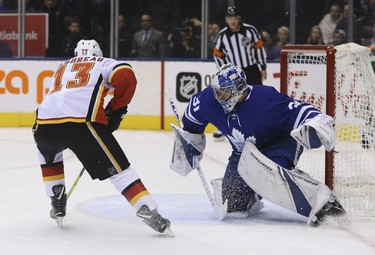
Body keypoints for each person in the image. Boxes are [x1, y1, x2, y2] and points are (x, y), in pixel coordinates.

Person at [170, 63, 346, 226]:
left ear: (239, 89)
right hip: (243, 153)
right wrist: (189, 141)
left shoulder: (265, 99)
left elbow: (299, 109)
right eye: (218, 91)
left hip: (279, 143)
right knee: (233, 206)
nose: (219, 96)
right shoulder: (209, 100)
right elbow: (192, 119)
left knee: (269, 174)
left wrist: (317, 122)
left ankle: (324, 202)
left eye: (224, 92)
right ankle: (254, 193)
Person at [32, 39, 172, 235]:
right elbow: (125, 73)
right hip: (81, 124)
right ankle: (146, 208)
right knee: (119, 170)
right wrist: (116, 108)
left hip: (43, 125)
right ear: (98, 53)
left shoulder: (62, 66)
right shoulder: (103, 62)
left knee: (48, 156)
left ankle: (56, 198)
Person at [212, 6, 267, 140]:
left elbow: (258, 48)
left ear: (239, 19)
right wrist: (223, 70)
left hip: (251, 69)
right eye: (230, 19)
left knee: (256, 97)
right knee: (230, 100)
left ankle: (261, 126)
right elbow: (217, 54)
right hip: (233, 73)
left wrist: (263, 66)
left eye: (234, 18)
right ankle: (223, 127)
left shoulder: (250, 31)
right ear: (226, 20)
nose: (232, 21)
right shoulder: (222, 35)